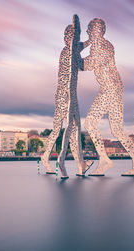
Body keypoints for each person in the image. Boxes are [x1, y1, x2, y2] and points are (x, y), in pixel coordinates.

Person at [82, 18, 134, 176]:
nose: (90, 32)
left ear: (99, 31)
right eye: (90, 29)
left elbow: (88, 65)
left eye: (92, 29)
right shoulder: (107, 44)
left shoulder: (99, 45)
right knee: (117, 130)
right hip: (115, 89)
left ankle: (104, 159)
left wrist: (72, 57)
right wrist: (84, 45)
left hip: (109, 89)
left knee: (90, 123)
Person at [41, 15, 93, 178]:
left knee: (65, 128)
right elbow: (81, 59)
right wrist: (79, 29)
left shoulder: (69, 52)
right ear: (67, 39)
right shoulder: (68, 53)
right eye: (70, 37)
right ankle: (61, 161)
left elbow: (81, 50)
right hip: (67, 95)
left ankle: (78, 164)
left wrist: (90, 41)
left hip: (67, 94)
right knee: (71, 126)